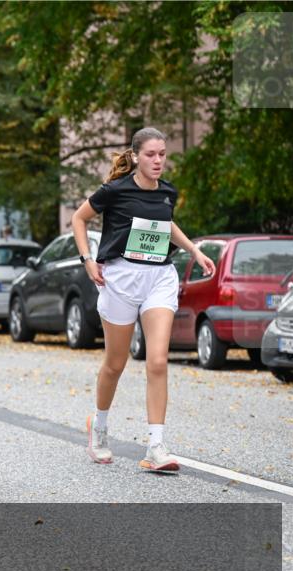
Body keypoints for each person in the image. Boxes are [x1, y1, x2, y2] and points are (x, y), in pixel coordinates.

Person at [71, 127, 215, 473]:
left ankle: (156, 447)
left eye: (162, 154)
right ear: (135, 156)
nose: (158, 160)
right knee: (115, 363)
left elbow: (166, 225)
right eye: (151, 154)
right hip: (120, 278)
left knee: (158, 361)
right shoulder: (115, 190)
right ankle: (99, 428)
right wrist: (88, 260)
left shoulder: (167, 193)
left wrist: (195, 249)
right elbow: (78, 218)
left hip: (158, 278)